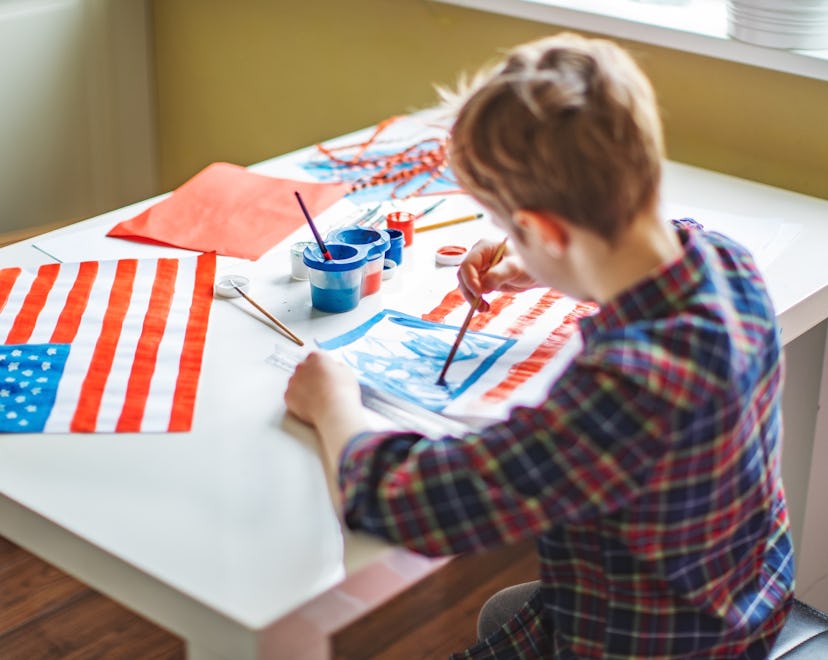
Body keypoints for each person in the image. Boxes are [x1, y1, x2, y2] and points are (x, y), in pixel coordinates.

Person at [284, 32, 794, 658]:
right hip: (744, 596)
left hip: (658, 643)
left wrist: (332, 401)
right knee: (505, 611)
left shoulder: (622, 392)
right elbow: (669, 239)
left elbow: (405, 504)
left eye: (512, 232)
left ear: (546, 230)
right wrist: (552, 264)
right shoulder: (728, 264)